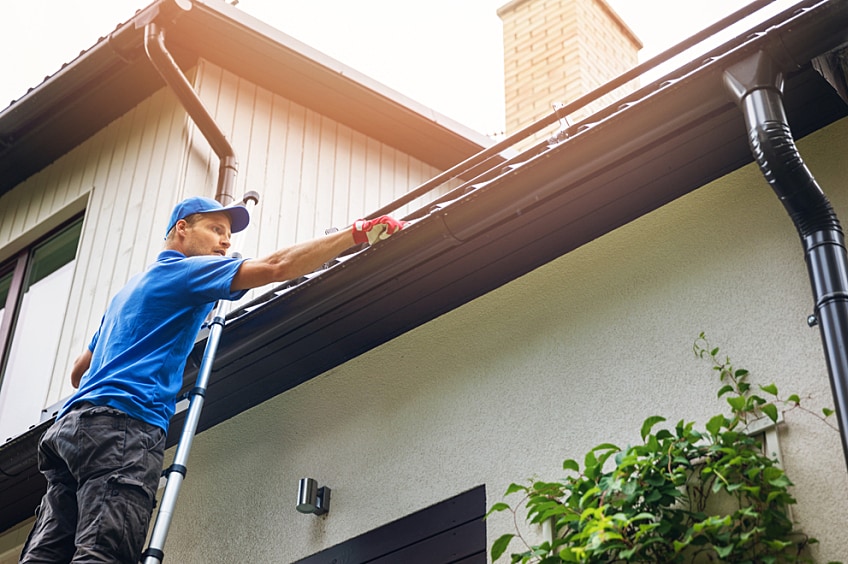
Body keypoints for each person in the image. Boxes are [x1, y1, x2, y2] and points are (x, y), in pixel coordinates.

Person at [19, 196, 405, 563]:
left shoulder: (128, 293)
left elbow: (77, 372)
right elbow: (276, 266)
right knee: (104, 551)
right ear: (181, 229)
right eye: (216, 229)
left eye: (229, 236)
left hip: (70, 432)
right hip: (122, 428)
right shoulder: (186, 272)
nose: (225, 241)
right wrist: (357, 232)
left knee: (46, 554)